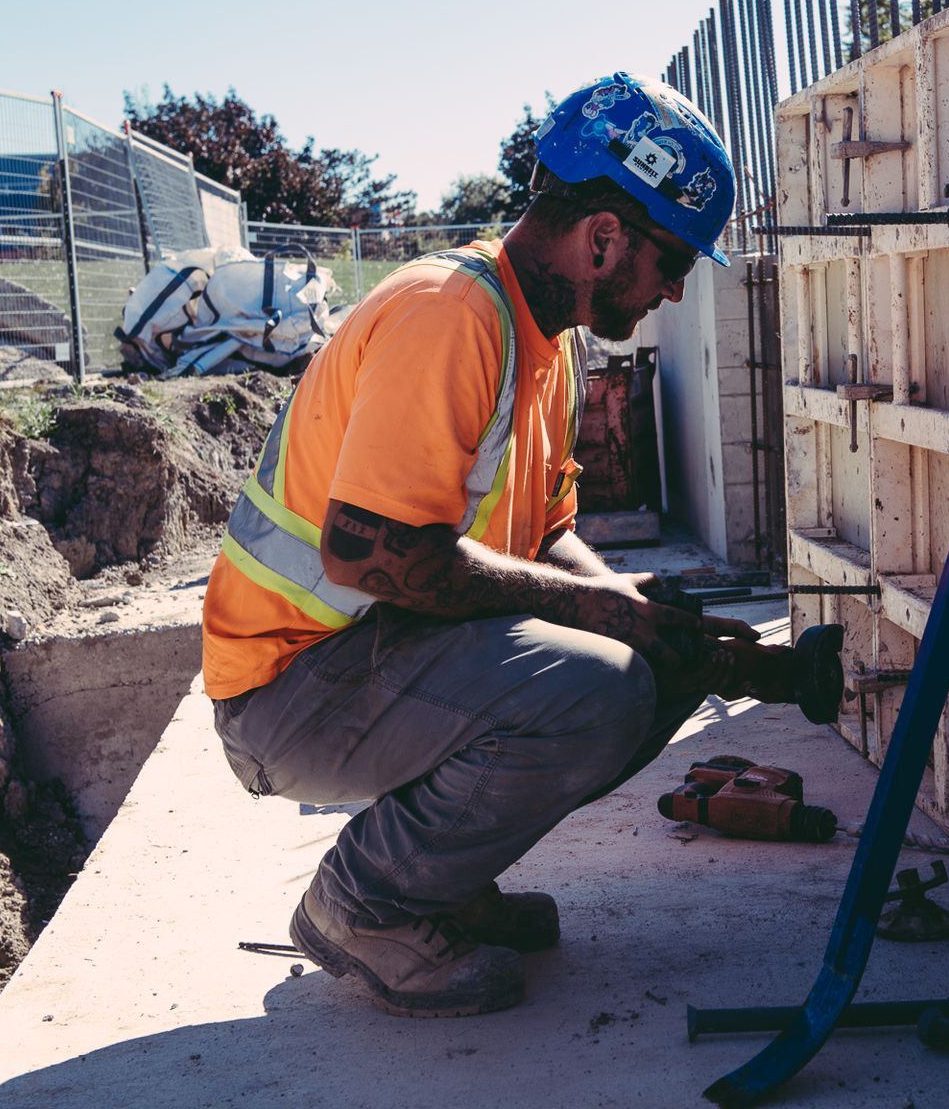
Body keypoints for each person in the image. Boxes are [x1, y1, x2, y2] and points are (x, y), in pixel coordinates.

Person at [199, 72, 756, 1019]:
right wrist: (607, 617)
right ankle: (365, 907)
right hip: (290, 687)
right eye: (676, 262)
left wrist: (649, 619)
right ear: (604, 238)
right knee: (597, 686)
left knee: (649, 655)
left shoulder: (553, 340)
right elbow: (376, 556)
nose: (675, 289)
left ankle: (439, 884)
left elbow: (548, 538)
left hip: (375, 656)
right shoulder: (449, 315)